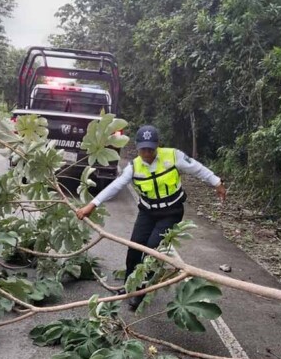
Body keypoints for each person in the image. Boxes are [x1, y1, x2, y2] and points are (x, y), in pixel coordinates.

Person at [76, 125, 227, 310]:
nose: (147, 153)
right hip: (147, 212)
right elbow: (116, 186)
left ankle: (141, 291)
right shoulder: (134, 167)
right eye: (143, 149)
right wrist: (92, 204)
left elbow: (197, 168)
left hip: (171, 212)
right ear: (137, 147)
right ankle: (128, 285)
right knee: (134, 247)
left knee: (151, 250)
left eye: (151, 148)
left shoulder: (173, 156)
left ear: (158, 145)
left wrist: (216, 182)